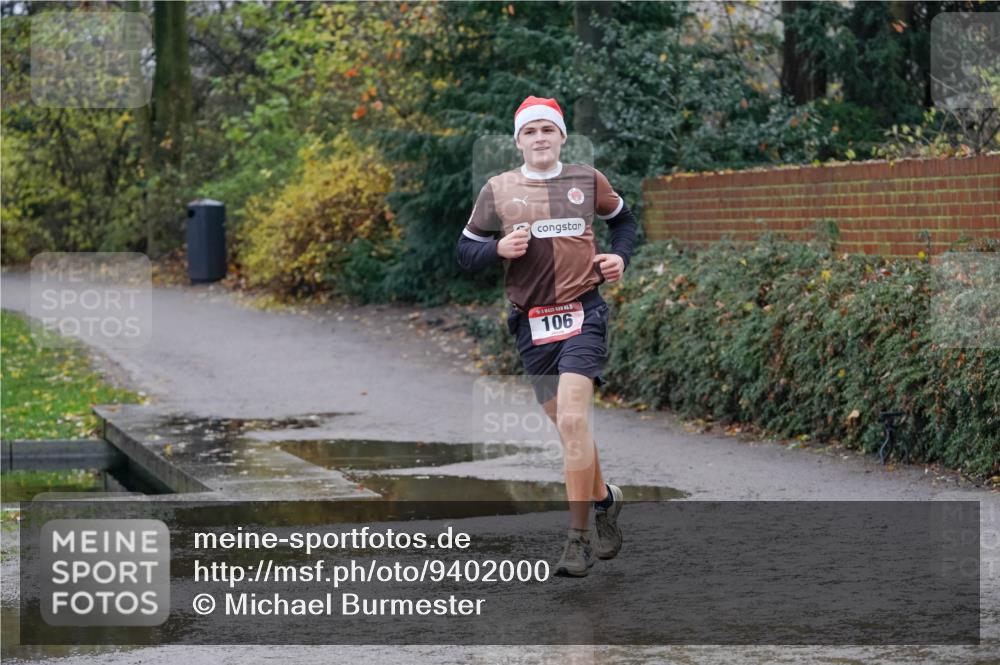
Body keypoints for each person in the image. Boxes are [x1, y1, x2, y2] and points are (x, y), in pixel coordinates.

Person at [456, 96, 636, 577]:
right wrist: (497, 248)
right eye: (530, 131)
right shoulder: (498, 189)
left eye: (547, 130)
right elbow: (465, 252)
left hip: (583, 313)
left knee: (575, 422)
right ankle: (604, 499)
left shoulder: (586, 180)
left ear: (561, 137)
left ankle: (577, 541)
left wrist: (620, 257)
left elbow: (624, 220)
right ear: (518, 141)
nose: (539, 138)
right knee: (569, 430)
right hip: (531, 325)